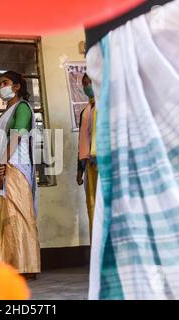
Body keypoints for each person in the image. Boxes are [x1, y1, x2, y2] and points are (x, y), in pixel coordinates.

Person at [0, 71, 41, 280]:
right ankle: (8, 264)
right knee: (6, 216)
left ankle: (25, 265)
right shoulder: (6, 112)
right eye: (0, 83)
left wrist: (2, 162)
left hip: (17, 166)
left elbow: (17, 136)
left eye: (6, 82)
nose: (1, 86)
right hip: (4, 166)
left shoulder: (22, 108)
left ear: (17, 86)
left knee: (19, 214)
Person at [76, 73, 98, 243]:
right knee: (92, 206)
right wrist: (79, 169)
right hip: (88, 163)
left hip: (106, 162)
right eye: (84, 83)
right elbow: (81, 139)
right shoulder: (85, 110)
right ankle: (97, 249)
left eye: (90, 81)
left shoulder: (107, 106)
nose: (87, 85)